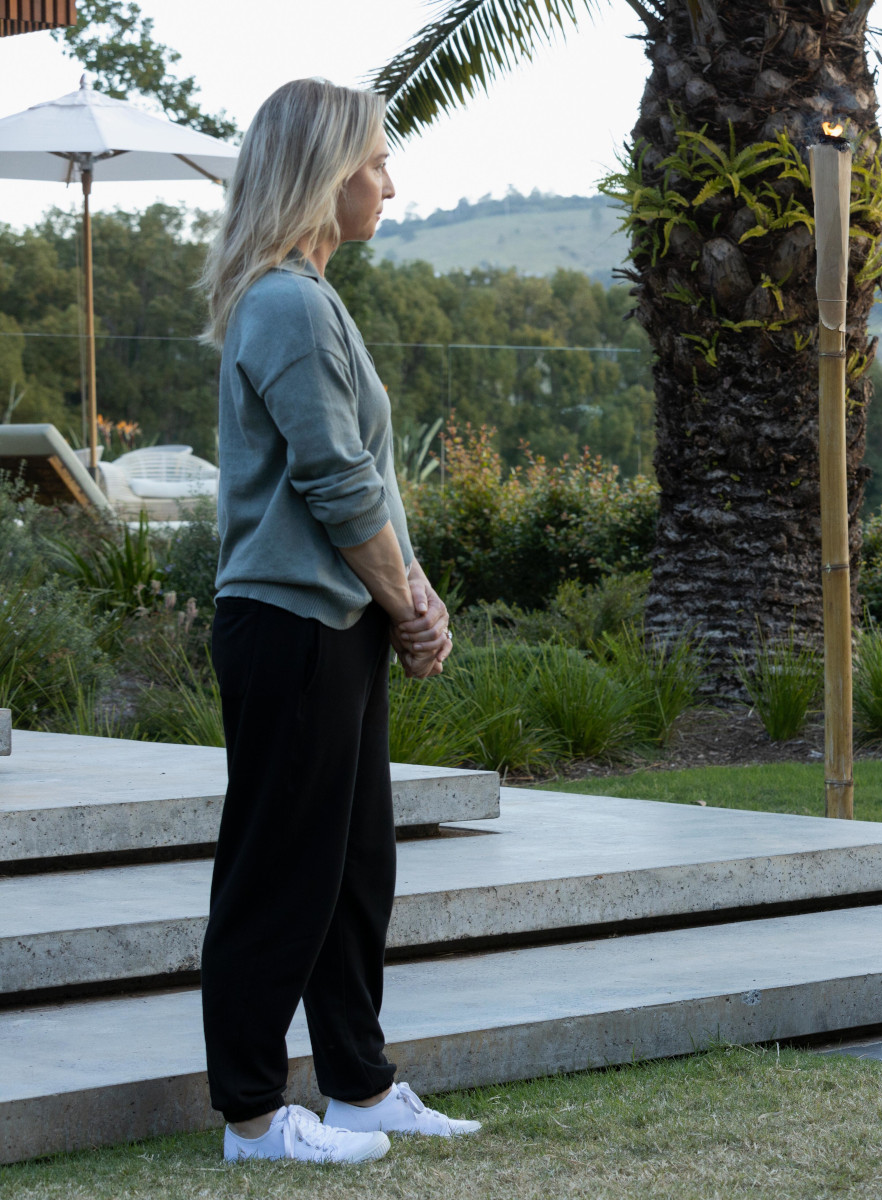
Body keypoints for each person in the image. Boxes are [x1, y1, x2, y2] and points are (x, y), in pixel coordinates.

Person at [198, 77, 476, 1163]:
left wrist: (415, 590)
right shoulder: (283, 303)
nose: (390, 184)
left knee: (354, 868)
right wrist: (408, 603)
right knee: (282, 869)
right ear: (325, 174)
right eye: (375, 163)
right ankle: (255, 1118)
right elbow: (335, 484)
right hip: (291, 622)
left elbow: (368, 484)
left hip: (337, 619)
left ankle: (359, 1089)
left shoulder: (311, 299)